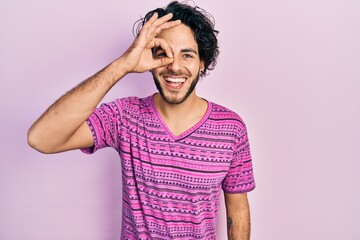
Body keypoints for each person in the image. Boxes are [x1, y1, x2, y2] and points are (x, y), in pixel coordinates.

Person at [27, 1, 255, 239]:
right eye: (163, 54)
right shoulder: (124, 116)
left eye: (187, 55)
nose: (174, 66)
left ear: (202, 63)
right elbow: (40, 138)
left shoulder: (231, 128)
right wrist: (123, 65)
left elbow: (237, 207)